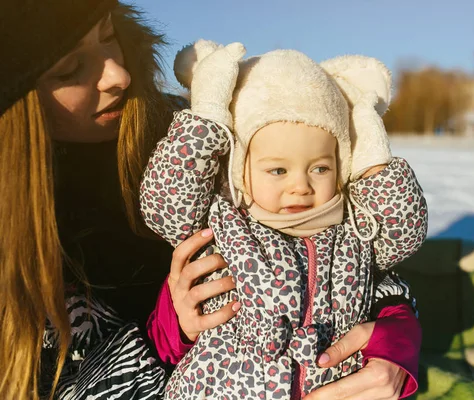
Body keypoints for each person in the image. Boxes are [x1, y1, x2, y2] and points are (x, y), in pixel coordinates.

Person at [0, 1, 423, 399]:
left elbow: (343, 240)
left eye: (110, 35)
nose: (118, 75)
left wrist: (394, 334)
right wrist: (167, 332)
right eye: (71, 67)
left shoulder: (198, 138)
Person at [141, 40, 427, 398]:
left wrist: (373, 156)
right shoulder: (222, 223)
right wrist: (209, 114)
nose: (300, 186)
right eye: (277, 169)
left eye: (320, 167)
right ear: (241, 170)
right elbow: (165, 202)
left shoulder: (354, 230)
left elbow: (403, 233)